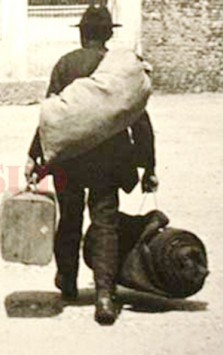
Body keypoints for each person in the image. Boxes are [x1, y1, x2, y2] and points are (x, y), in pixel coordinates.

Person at [25, 5, 158, 326]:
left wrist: (34, 155)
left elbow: (52, 116)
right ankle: (104, 296)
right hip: (109, 160)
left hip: (69, 158)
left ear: (83, 33)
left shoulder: (66, 64)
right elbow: (139, 119)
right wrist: (149, 166)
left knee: (69, 218)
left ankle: (68, 282)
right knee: (105, 225)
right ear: (109, 34)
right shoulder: (123, 68)